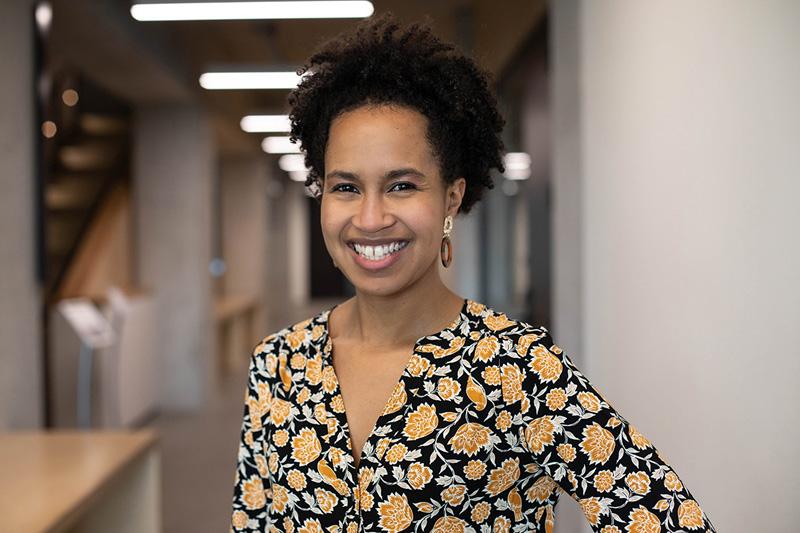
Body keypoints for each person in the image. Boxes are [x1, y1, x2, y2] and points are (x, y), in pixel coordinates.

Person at [231, 13, 716, 533]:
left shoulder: (518, 368)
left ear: (451, 198)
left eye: (401, 186)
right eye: (346, 187)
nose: (370, 219)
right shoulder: (279, 363)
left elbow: (666, 518)